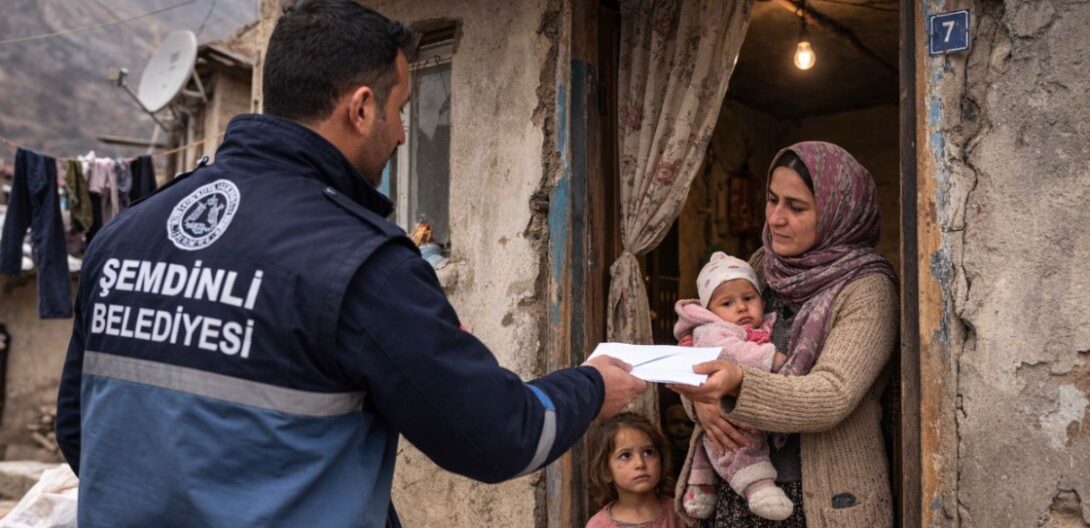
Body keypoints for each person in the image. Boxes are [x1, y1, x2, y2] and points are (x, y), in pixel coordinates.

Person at [53, 1, 646, 527]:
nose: (404, 134)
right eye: (400, 109)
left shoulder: (125, 233)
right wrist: (592, 386)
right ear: (362, 109)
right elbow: (497, 438)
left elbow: (82, 434)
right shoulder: (361, 261)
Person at [670, 142, 898, 528]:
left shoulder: (868, 290)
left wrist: (737, 386)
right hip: (740, 491)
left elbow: (831, 395)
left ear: (837, 214)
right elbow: (705, 338)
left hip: (826, 502)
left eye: (796, 207)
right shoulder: (762, 266)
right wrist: (701, 403)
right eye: (772, 200)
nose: (775, 218)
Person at [674, 252, 792, 521]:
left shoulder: (762, 324)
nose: (741, 307)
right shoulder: (711, 332)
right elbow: (732, 353)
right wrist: (773, 358)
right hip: (735, 415)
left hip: (756, 414)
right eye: (727, 303)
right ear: (709, 311)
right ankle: (758, 485)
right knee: (738, 444)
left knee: (716, 441)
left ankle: (701, 486)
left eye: (748, 299)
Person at [586, 412, 686, 528]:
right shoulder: (599, 525)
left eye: (648, 452)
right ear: (606, 471)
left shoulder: (679, 513)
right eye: (626, 456)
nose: (640, 464)